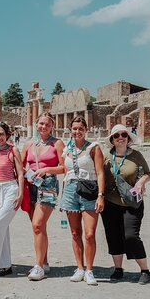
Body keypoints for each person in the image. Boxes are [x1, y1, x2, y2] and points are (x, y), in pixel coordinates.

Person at [101, 124, 150, 284]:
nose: (120, 138)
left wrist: (141, 182)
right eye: (116, 136)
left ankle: (145, 270)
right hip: (110, 203)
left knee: (131, 236)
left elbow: (147, 173)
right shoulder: (106, 156)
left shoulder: (136, 155)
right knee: (113, 236)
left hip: (132, 203)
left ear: (128, 138)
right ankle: (118, 269)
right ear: (112, 139)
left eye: (124, 134)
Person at [60, 116, 105, 286]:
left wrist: (101, 195)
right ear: (70, 130)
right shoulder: (67, 149)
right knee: (74, 233)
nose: (77, 131)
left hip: (90, 191)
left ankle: (90, 270)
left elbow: (100, 173)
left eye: (80, 128)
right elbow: (65, 171)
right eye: (74, 128)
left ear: (86, 130)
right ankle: (79, 268)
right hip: (71, 191)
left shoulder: (94, 148)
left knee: (90, 234)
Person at [21, 112, 65, 281]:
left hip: (48, 186)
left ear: (52, 126)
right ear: (36, 124)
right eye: (41, 124)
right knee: (39, 227)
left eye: (47, 124)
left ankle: (38, 267)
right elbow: (22, 165)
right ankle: (44, 262)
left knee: (37, 225)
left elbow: (64, 168)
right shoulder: (29, 144)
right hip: (31, 186)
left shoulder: (57, 144)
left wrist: (47, 170)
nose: (43, 127)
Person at [0, 122, 24, 279]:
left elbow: (20, 173)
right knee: (2, 228)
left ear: (7, 135)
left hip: (10, 189)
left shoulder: (13, 150)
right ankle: (5, 265)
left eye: (1, 134)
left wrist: (20, 193)